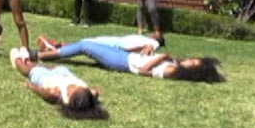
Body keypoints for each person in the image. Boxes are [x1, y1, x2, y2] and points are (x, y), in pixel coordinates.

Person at [31, 39, 225, 83]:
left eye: (194, 63)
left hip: (124, 63)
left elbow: (142, 72)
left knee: (84, 46)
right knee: (87, 43)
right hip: (126, 56)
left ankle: (38, 56)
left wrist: (162, 57)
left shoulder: (171, 71)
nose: (190, 60)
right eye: (193, 59)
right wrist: (146, 51)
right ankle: (50, 50)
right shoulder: (175, 64)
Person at [9, 47, 108, 120]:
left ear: (69, 96)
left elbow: (44, 93)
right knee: (45, 67)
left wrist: (31, 86)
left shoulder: (60, 96)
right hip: (65, 74)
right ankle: (28, 60)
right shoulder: (88, 95)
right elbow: (95, 92)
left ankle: (18, 60)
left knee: (28, 70)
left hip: (47, 79)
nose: (75, 87)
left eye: (74, 89)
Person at [37, 33, 165, 55]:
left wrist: (129, 49)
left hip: (118, 45)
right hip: (118, 42)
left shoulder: (154, 42)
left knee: (87, 43)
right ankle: (57, 45)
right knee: (89, 41)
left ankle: (55, 46)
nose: (154, 33)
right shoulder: (148, 39)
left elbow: (150, 47)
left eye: (157, 34)